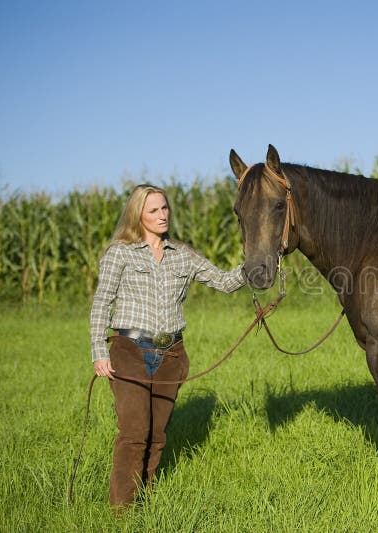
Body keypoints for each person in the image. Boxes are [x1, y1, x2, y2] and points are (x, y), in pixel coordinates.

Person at [89, 183, 247, 510]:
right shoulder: (120, 252)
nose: (162, 215)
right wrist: (99, 352)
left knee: (157, 436)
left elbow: (224, 282)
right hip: (129, 350)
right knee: (135, 431)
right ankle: (121, 513)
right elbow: (101, 303)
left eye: (165, 208)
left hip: (171, 355)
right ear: (138, 215)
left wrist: (255, 265)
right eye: (153, 211)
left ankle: (143, 500)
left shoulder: (183, 255)